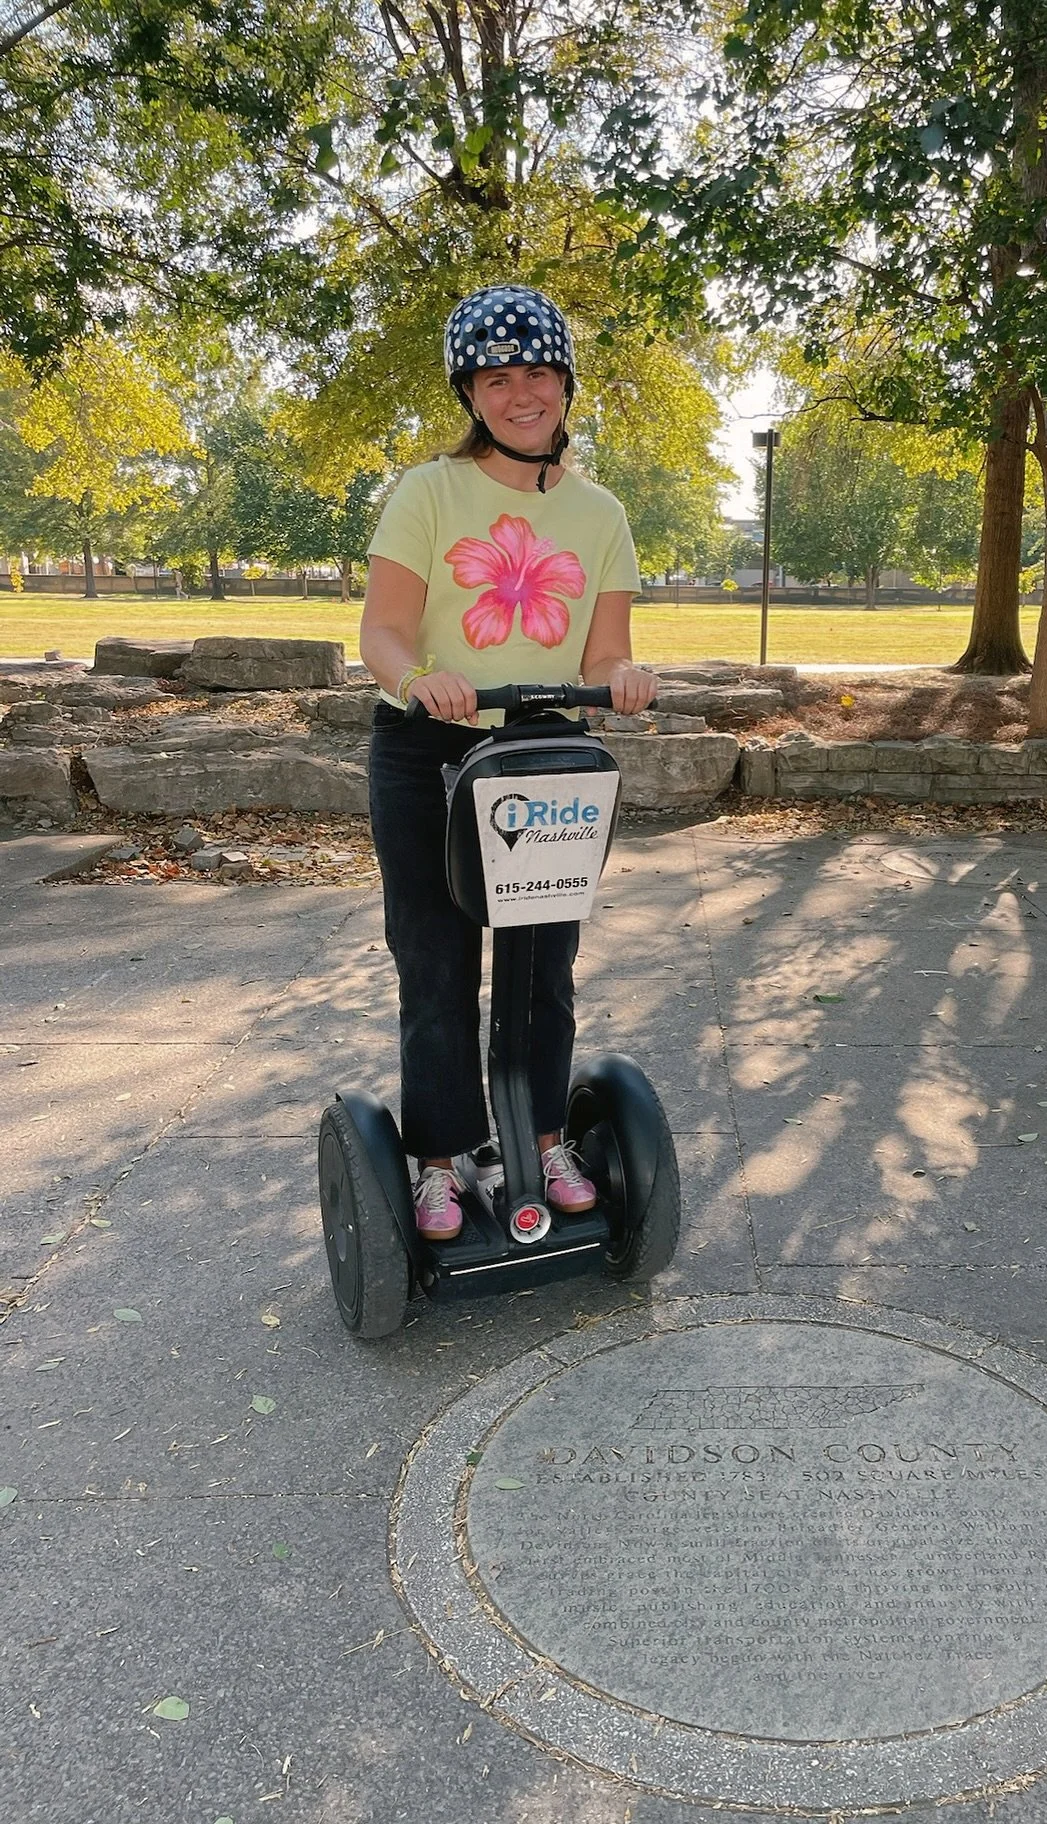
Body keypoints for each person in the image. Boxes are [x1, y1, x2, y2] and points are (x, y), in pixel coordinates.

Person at [359, 285, 656, 1242]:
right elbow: (384, 634)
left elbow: (601, 653)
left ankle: (538, 1138)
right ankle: (439, 1163)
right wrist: (423, 680)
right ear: (471, 392)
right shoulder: (428, 492)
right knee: (436, 962)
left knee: (543, 961)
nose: (520, 392)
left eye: (536, 371)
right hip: (429, 749)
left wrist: (624, 678)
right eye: (497, 377)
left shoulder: (601, 511)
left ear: (564, 382)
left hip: (541, 755)